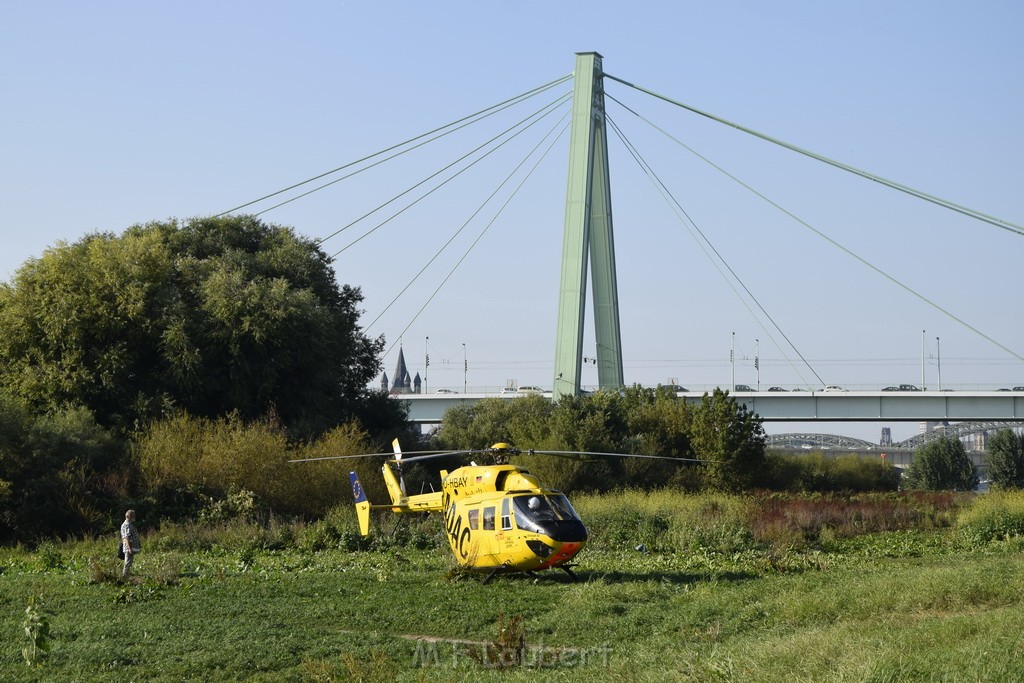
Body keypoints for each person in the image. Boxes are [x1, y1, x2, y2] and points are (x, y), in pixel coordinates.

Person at [120, 509, 141, 579]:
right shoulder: (127, 525)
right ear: (128, 516)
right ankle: (124, 577)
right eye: (133, 516)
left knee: (129, 562)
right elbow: (126, 537)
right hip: (129, 547)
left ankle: (126, 574)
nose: (134, 517)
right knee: (128, 562)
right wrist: (129, 548)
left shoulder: (129, 525)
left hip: (131, 547)